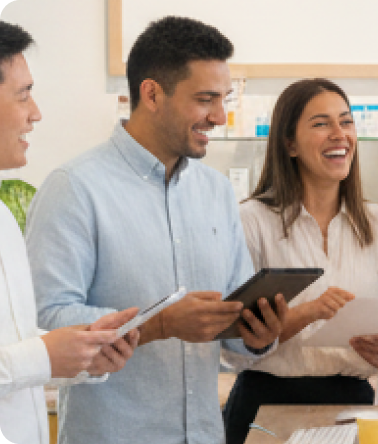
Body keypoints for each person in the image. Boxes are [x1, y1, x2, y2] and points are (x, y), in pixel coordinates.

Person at [25, 17, 286, 444]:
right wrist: (158, 324)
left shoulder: (217, 192)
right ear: (151, 94)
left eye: (224, 99)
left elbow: (234, 335)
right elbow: (45, 323)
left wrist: (257, 335)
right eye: (205, 99)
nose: (219, 116)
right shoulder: (75, 187)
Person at [221, 78, 378, 444]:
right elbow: (234, 343)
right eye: (321, 124)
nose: (339, 134)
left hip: (355, 404)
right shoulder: (251, 220)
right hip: (266, 404)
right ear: (289, 144)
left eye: (346, 122)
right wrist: (310, 312)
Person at [0, 21, 140, 444]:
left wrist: (82, 350)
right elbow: (26, 358)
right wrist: (43, 356)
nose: (35, 113)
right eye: (23, 94)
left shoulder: (4, 218)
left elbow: (16, 344)